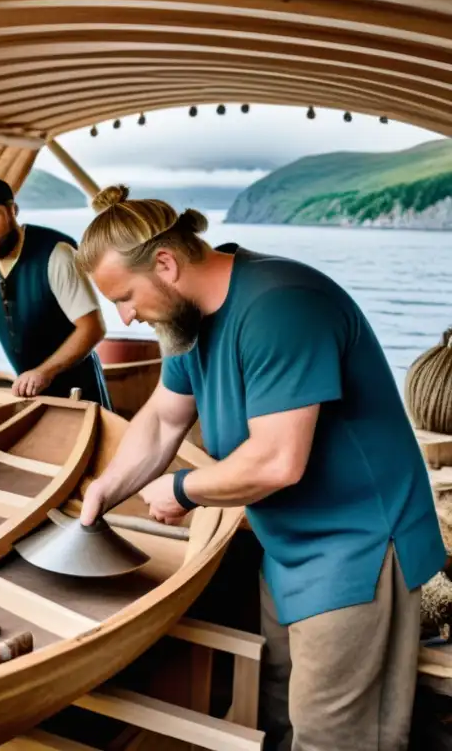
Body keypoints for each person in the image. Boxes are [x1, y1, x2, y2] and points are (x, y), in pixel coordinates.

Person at [73, 184, 445, 751]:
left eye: (125, 297)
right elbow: (161, 422)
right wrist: (105, 490)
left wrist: (182, 489)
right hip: (290, 542)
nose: (125, 316)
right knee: (280, 708)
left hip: (359, 544)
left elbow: (276, 461)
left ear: (166, 264)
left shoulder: (281, 306)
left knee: (335, 735)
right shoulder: (188, 322)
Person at [0, 177, 111, 408]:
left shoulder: (57, 254)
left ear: (13, 210)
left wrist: (44, 372)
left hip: (80, 389)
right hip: (28, 390)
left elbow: (92, 328)